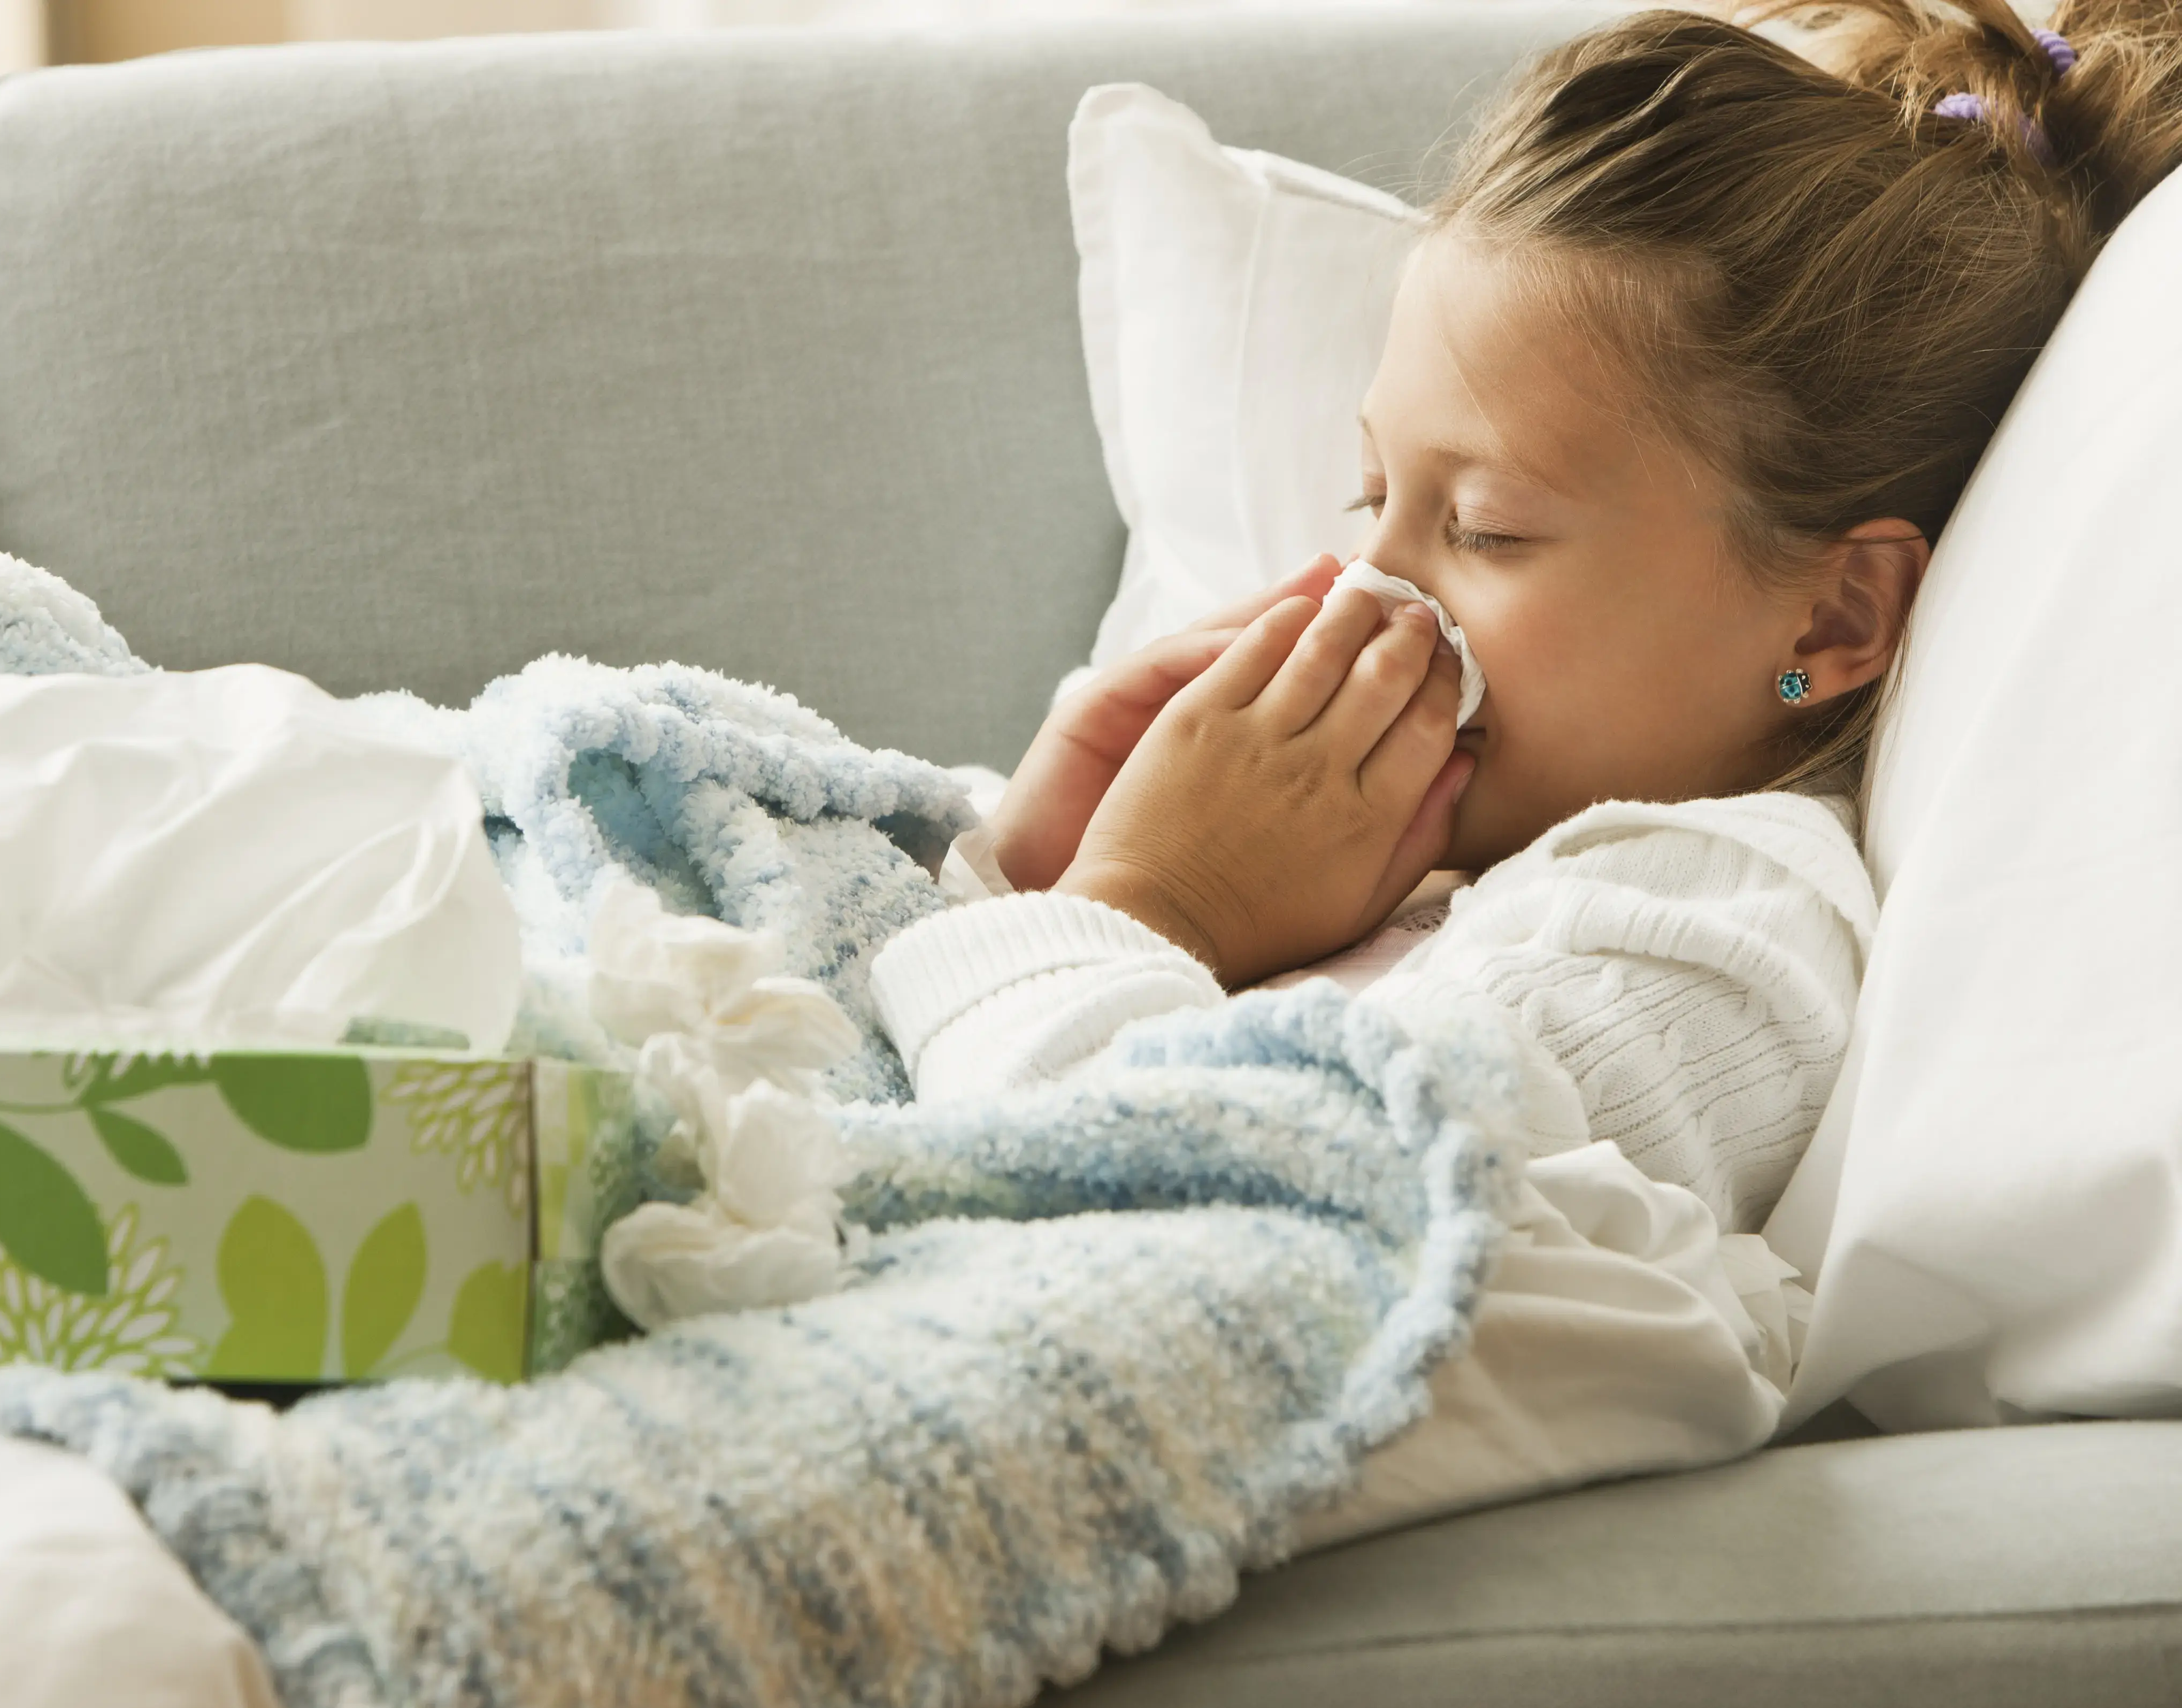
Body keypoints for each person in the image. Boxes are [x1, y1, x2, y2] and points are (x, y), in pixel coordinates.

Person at [873, 0, 2182, 1545]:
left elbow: (1230, 1256)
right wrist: (1021, 859)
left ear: (1828, 616)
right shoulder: (1449, 852)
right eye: (1371, 490)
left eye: (1482, 528)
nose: (1372, 586)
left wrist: (1143, 903)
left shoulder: (1702, 932)